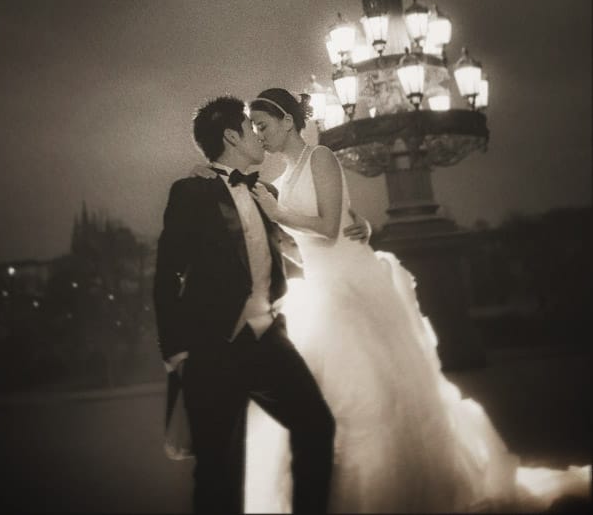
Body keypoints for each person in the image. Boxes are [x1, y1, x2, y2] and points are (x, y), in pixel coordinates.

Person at [235, 87, 590, 513]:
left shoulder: (321, 158)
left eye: (263, 125)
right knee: (329, 394)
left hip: (354, 282)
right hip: (321, 284)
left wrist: (279, 216)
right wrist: (279, 241)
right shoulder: (276, 183)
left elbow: (329, 227)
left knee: (374, 386)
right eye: (254, 128)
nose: (258, 135)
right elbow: (304, 245)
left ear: (288, 122)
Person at [153, 95, 336, 515]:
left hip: (268, 339)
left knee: (316, 426)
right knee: (219, 470)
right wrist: (175, 350)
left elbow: (289, 247)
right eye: (251, 129)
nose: (259, 135)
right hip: (212, 348)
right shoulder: (190, 193)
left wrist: (349, 232)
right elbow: (167, 272)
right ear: (232, 136)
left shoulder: (264, 191)